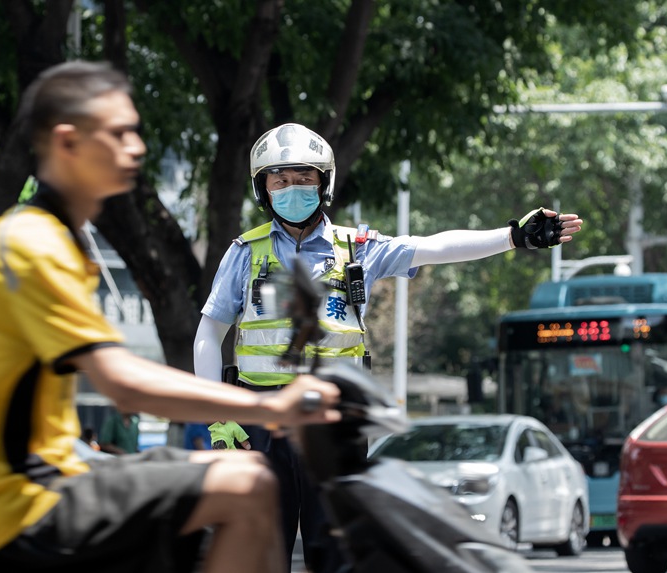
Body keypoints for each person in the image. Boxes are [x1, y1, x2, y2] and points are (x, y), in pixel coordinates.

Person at [0, 62, 340, 573]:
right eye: (120, 133)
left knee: (233, 473)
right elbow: (123, 383)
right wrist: (271, 409)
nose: (137, 147)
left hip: (51, 476)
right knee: (249, 483)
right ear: (68, 143)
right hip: (22, 500)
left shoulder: (53, 238)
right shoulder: (32, 245)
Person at [192, 122, 584, 571]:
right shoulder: (244, 253)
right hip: (258, 420)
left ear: (324, 183)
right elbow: (209, 333)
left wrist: (512, 236)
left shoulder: (358, 249)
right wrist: (220, 422)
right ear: (263, 189)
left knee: (337, 553)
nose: (292, 189)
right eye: (279, 180)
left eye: (304, 178)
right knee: (259, 551)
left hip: (333, 420)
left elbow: (432, 248)